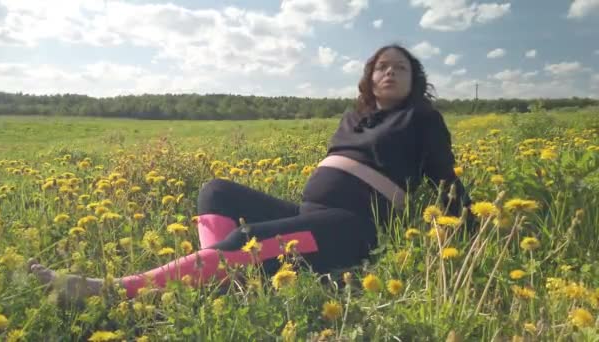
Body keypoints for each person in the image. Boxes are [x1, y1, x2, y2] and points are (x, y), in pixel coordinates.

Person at [28, 43, 471, 301]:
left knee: (249, 238)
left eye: (400, 67)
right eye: (381, 66)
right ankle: (222, 273)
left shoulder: (422, 119)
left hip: (354, 227)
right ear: (369, 77)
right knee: (214, 191)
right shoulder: (352, 116)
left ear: (415, 78)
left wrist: (470, 226)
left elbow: (445, 181)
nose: (389, 71)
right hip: (310, 212)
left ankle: (111, 289)